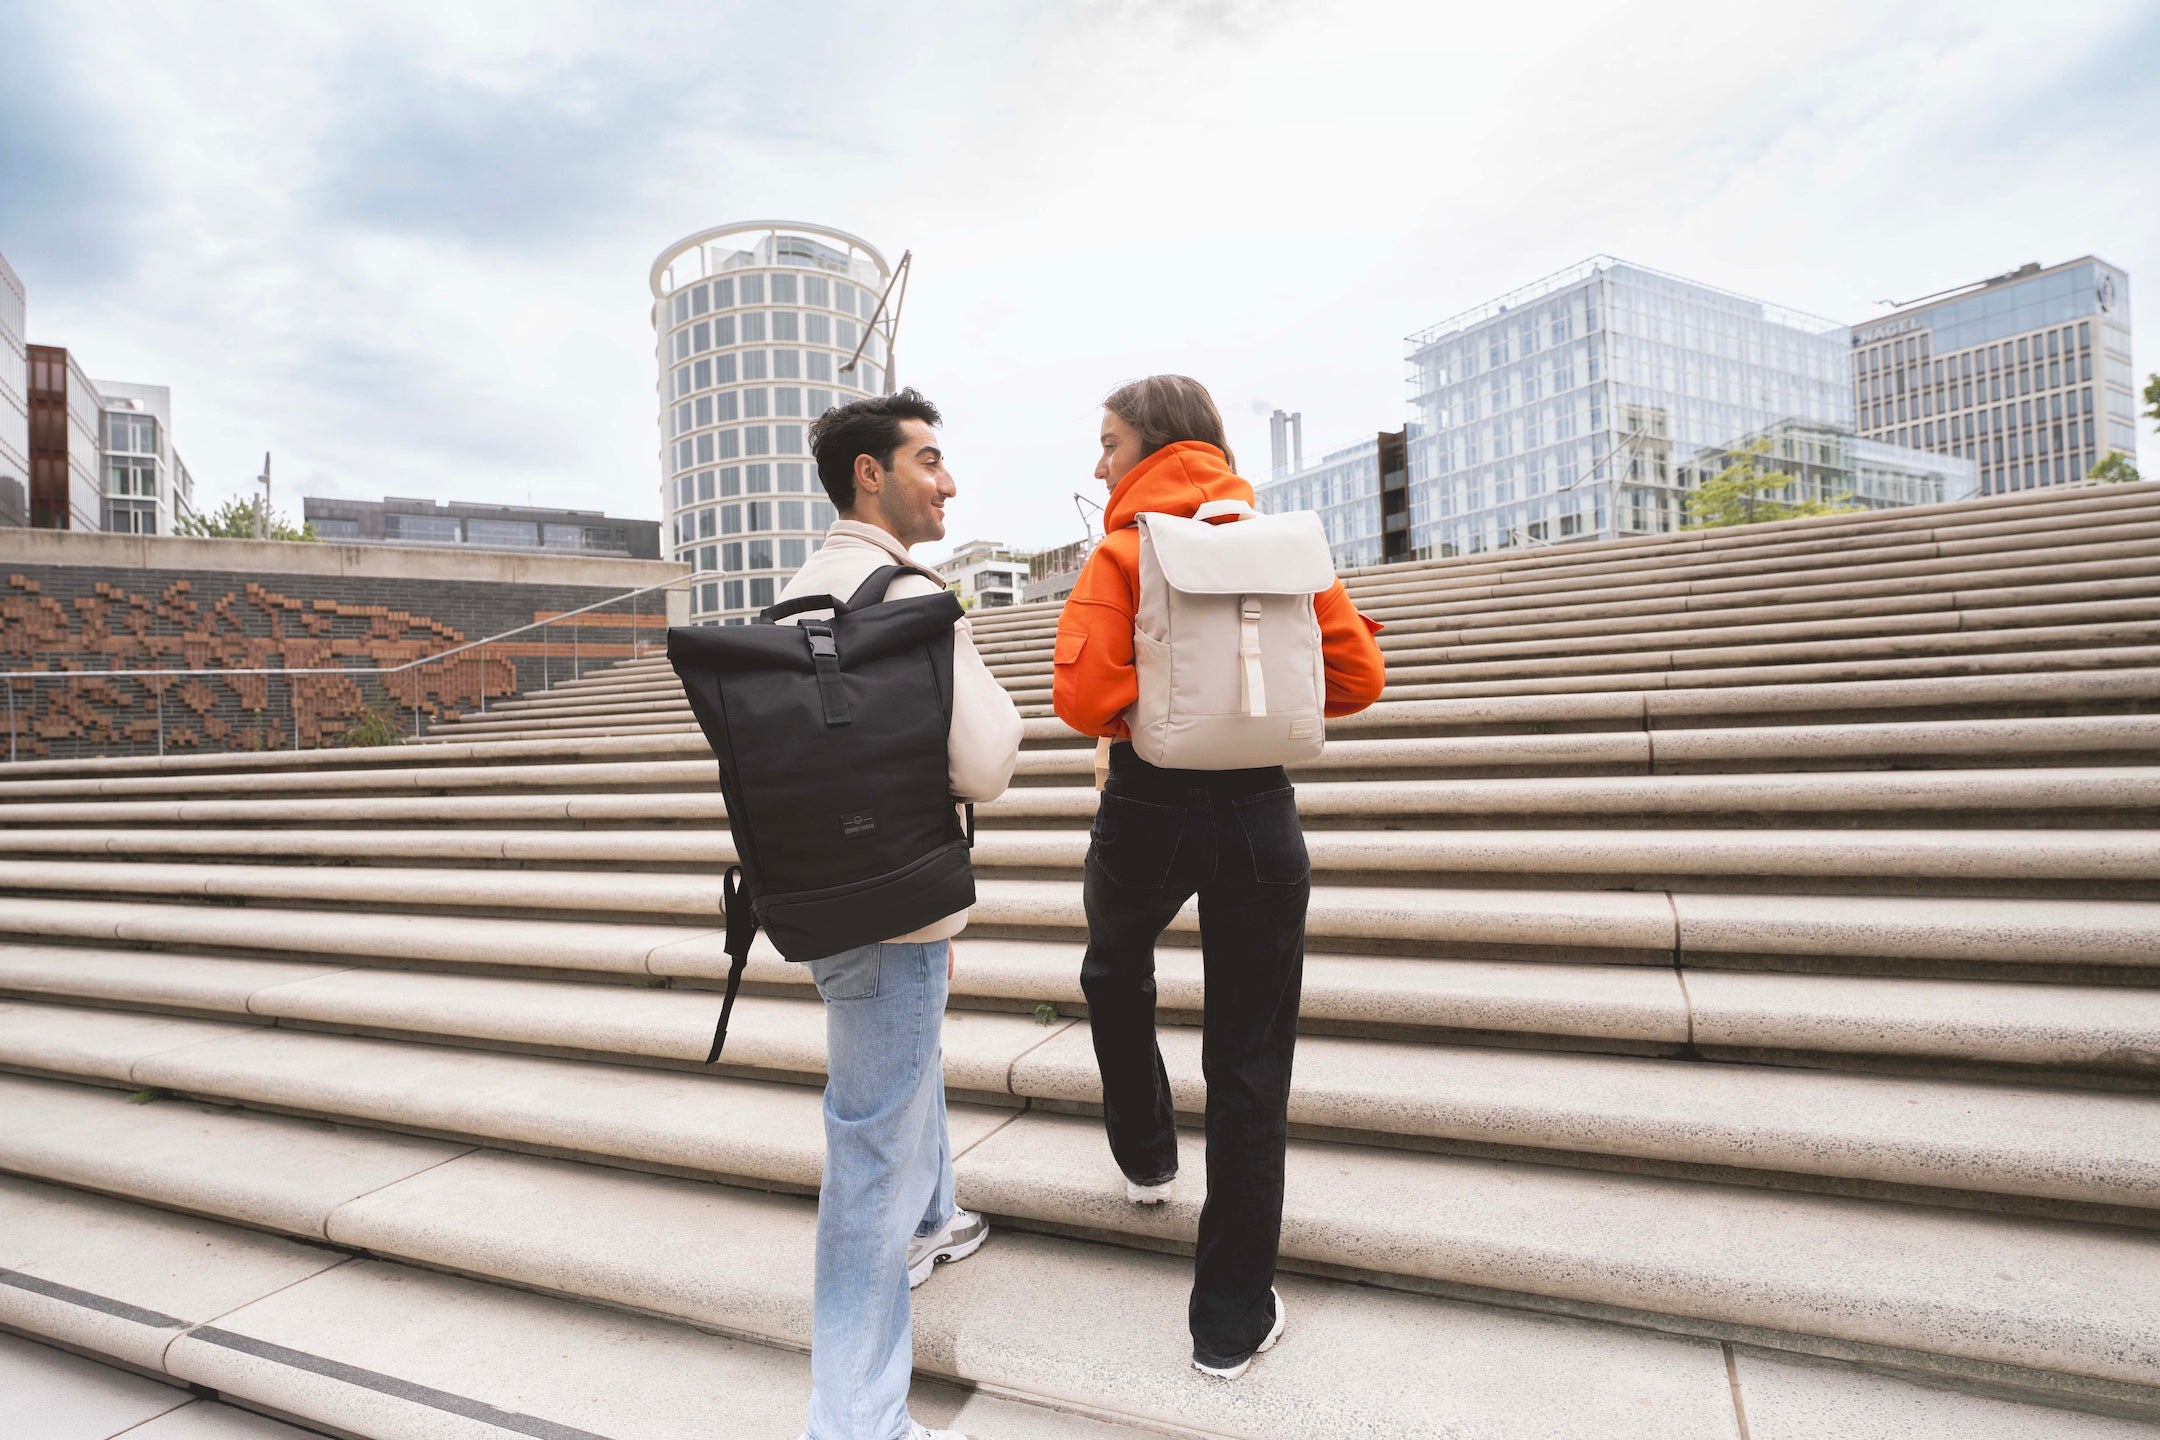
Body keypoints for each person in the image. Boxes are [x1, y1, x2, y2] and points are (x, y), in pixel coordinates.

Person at [1051, 375, 1386, 1380]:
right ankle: (1230, 1324)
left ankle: (1147, 1151)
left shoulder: (1121, 552)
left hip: (1147, 805)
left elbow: (1082, 694)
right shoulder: (1285, 548)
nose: (1097, 462)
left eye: (1107, 441)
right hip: (1257, 813)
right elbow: (1360, 679)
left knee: (1114, 966)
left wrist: (1155, 714)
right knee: (1249, 1067)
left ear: (1151, 445)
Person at [788, 390, 1023, 1440]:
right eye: (929, 460)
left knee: (894, 1062)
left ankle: (938, 1215)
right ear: (870, 476)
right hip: (898, 894)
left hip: (822, 893)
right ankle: (855, 1422)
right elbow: (986, 760)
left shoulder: (794, 592)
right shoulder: (906, 588)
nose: (950, 481)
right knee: (866, 1157)